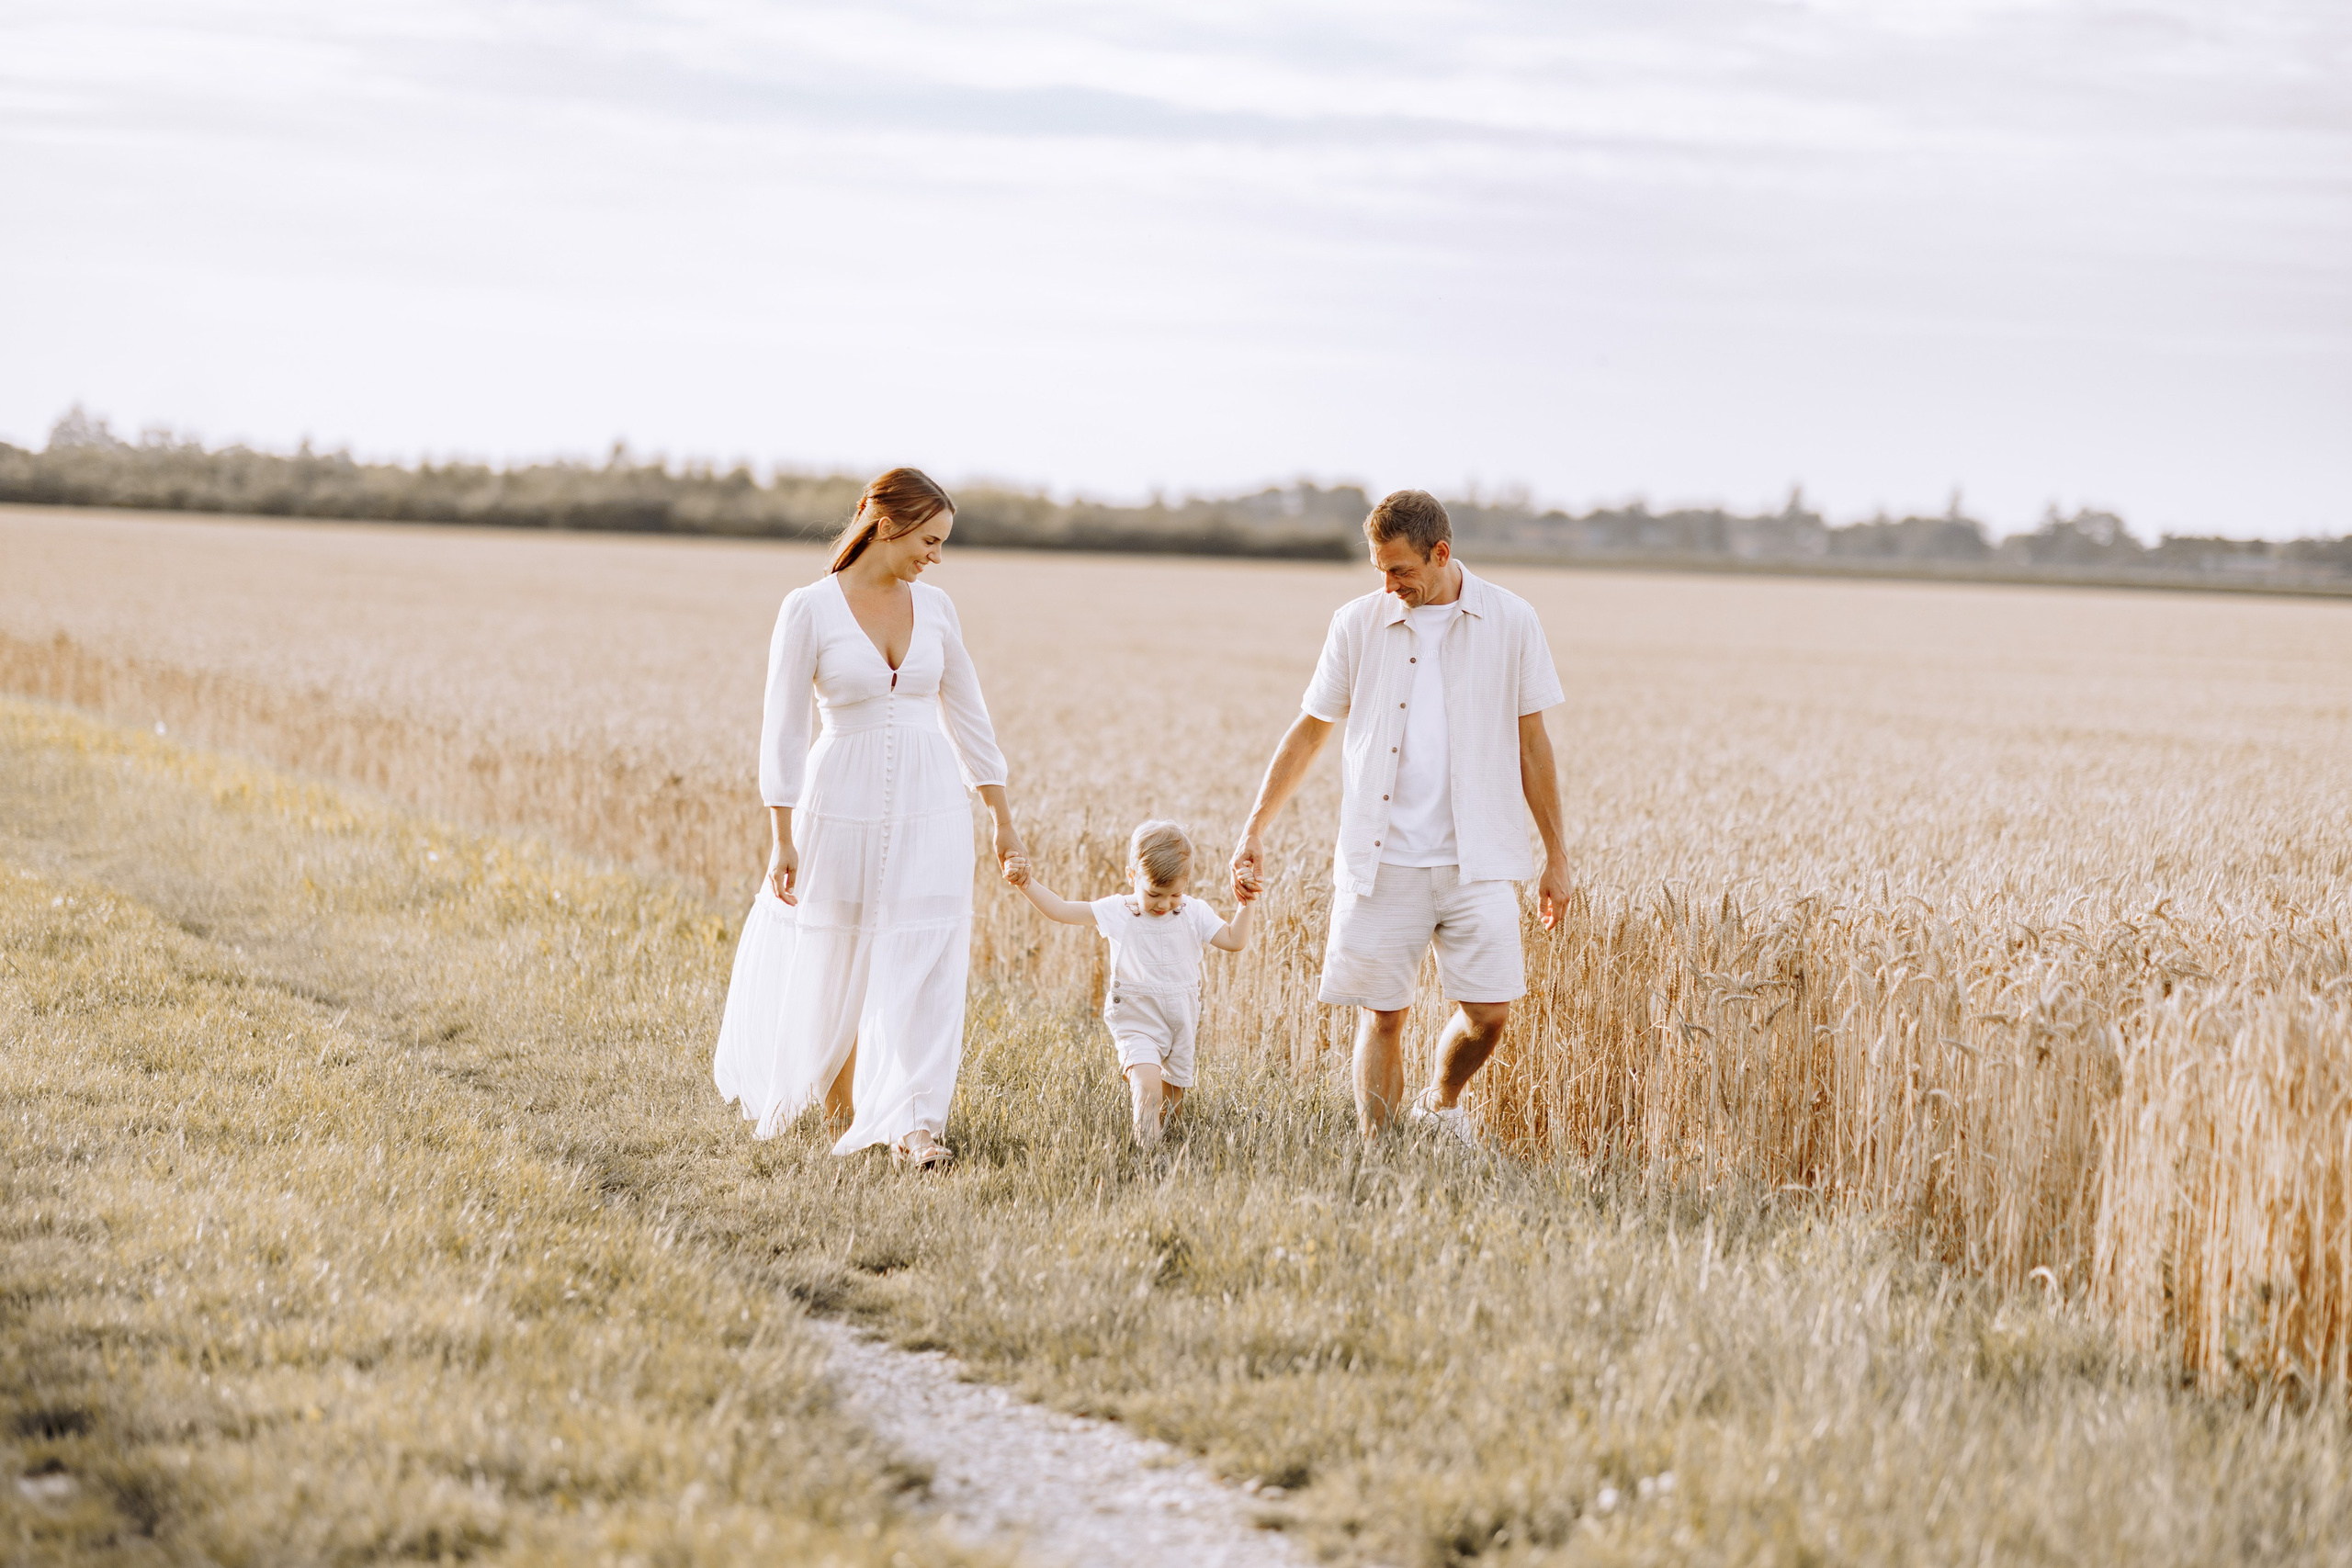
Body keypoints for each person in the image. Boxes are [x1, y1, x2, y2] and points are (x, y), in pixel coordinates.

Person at [1229, 490, 1568, 1146]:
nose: (1388, 584)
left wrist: (1558, 856)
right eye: (1379, 569)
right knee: (1383, 1014)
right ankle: (1378, 1155)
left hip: (1481, 857)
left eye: (1400, 570)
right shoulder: (1357, 623)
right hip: (1383, 858)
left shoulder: (1512, 619)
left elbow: (1533, 744)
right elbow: (1308, 733)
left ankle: (1440, 1106)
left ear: (1441, 553)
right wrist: (1253, 828)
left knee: (1489, 1015)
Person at [712, 468, 1024, 1171]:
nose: (935, 557)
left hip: (932, 800)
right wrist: (781, 837)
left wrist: (1001, 817)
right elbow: (783, 731)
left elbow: (970, 716)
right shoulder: (809, 609)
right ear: (887, 524)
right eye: (929, 539)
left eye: (942, 544)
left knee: (927, 955)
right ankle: (842, 1114)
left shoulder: (938, 609)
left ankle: (917, 1123)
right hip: (838, 798)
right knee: (836, 953)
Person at [1004, 820, 1256, 1146]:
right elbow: (1061, 910)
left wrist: (1247, 900)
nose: (1164, 904)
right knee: (1147, 1083)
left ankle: (1167, 1148)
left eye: (1175, 894)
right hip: (1137, 1018)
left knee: (1171, 1109)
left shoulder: (1194, 912)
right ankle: (1145, 1155)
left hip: (1181, 1019)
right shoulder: (1119, 911)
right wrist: (1026, 883)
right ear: (1132, 877)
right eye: (1154, 894)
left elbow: (1235, 940)